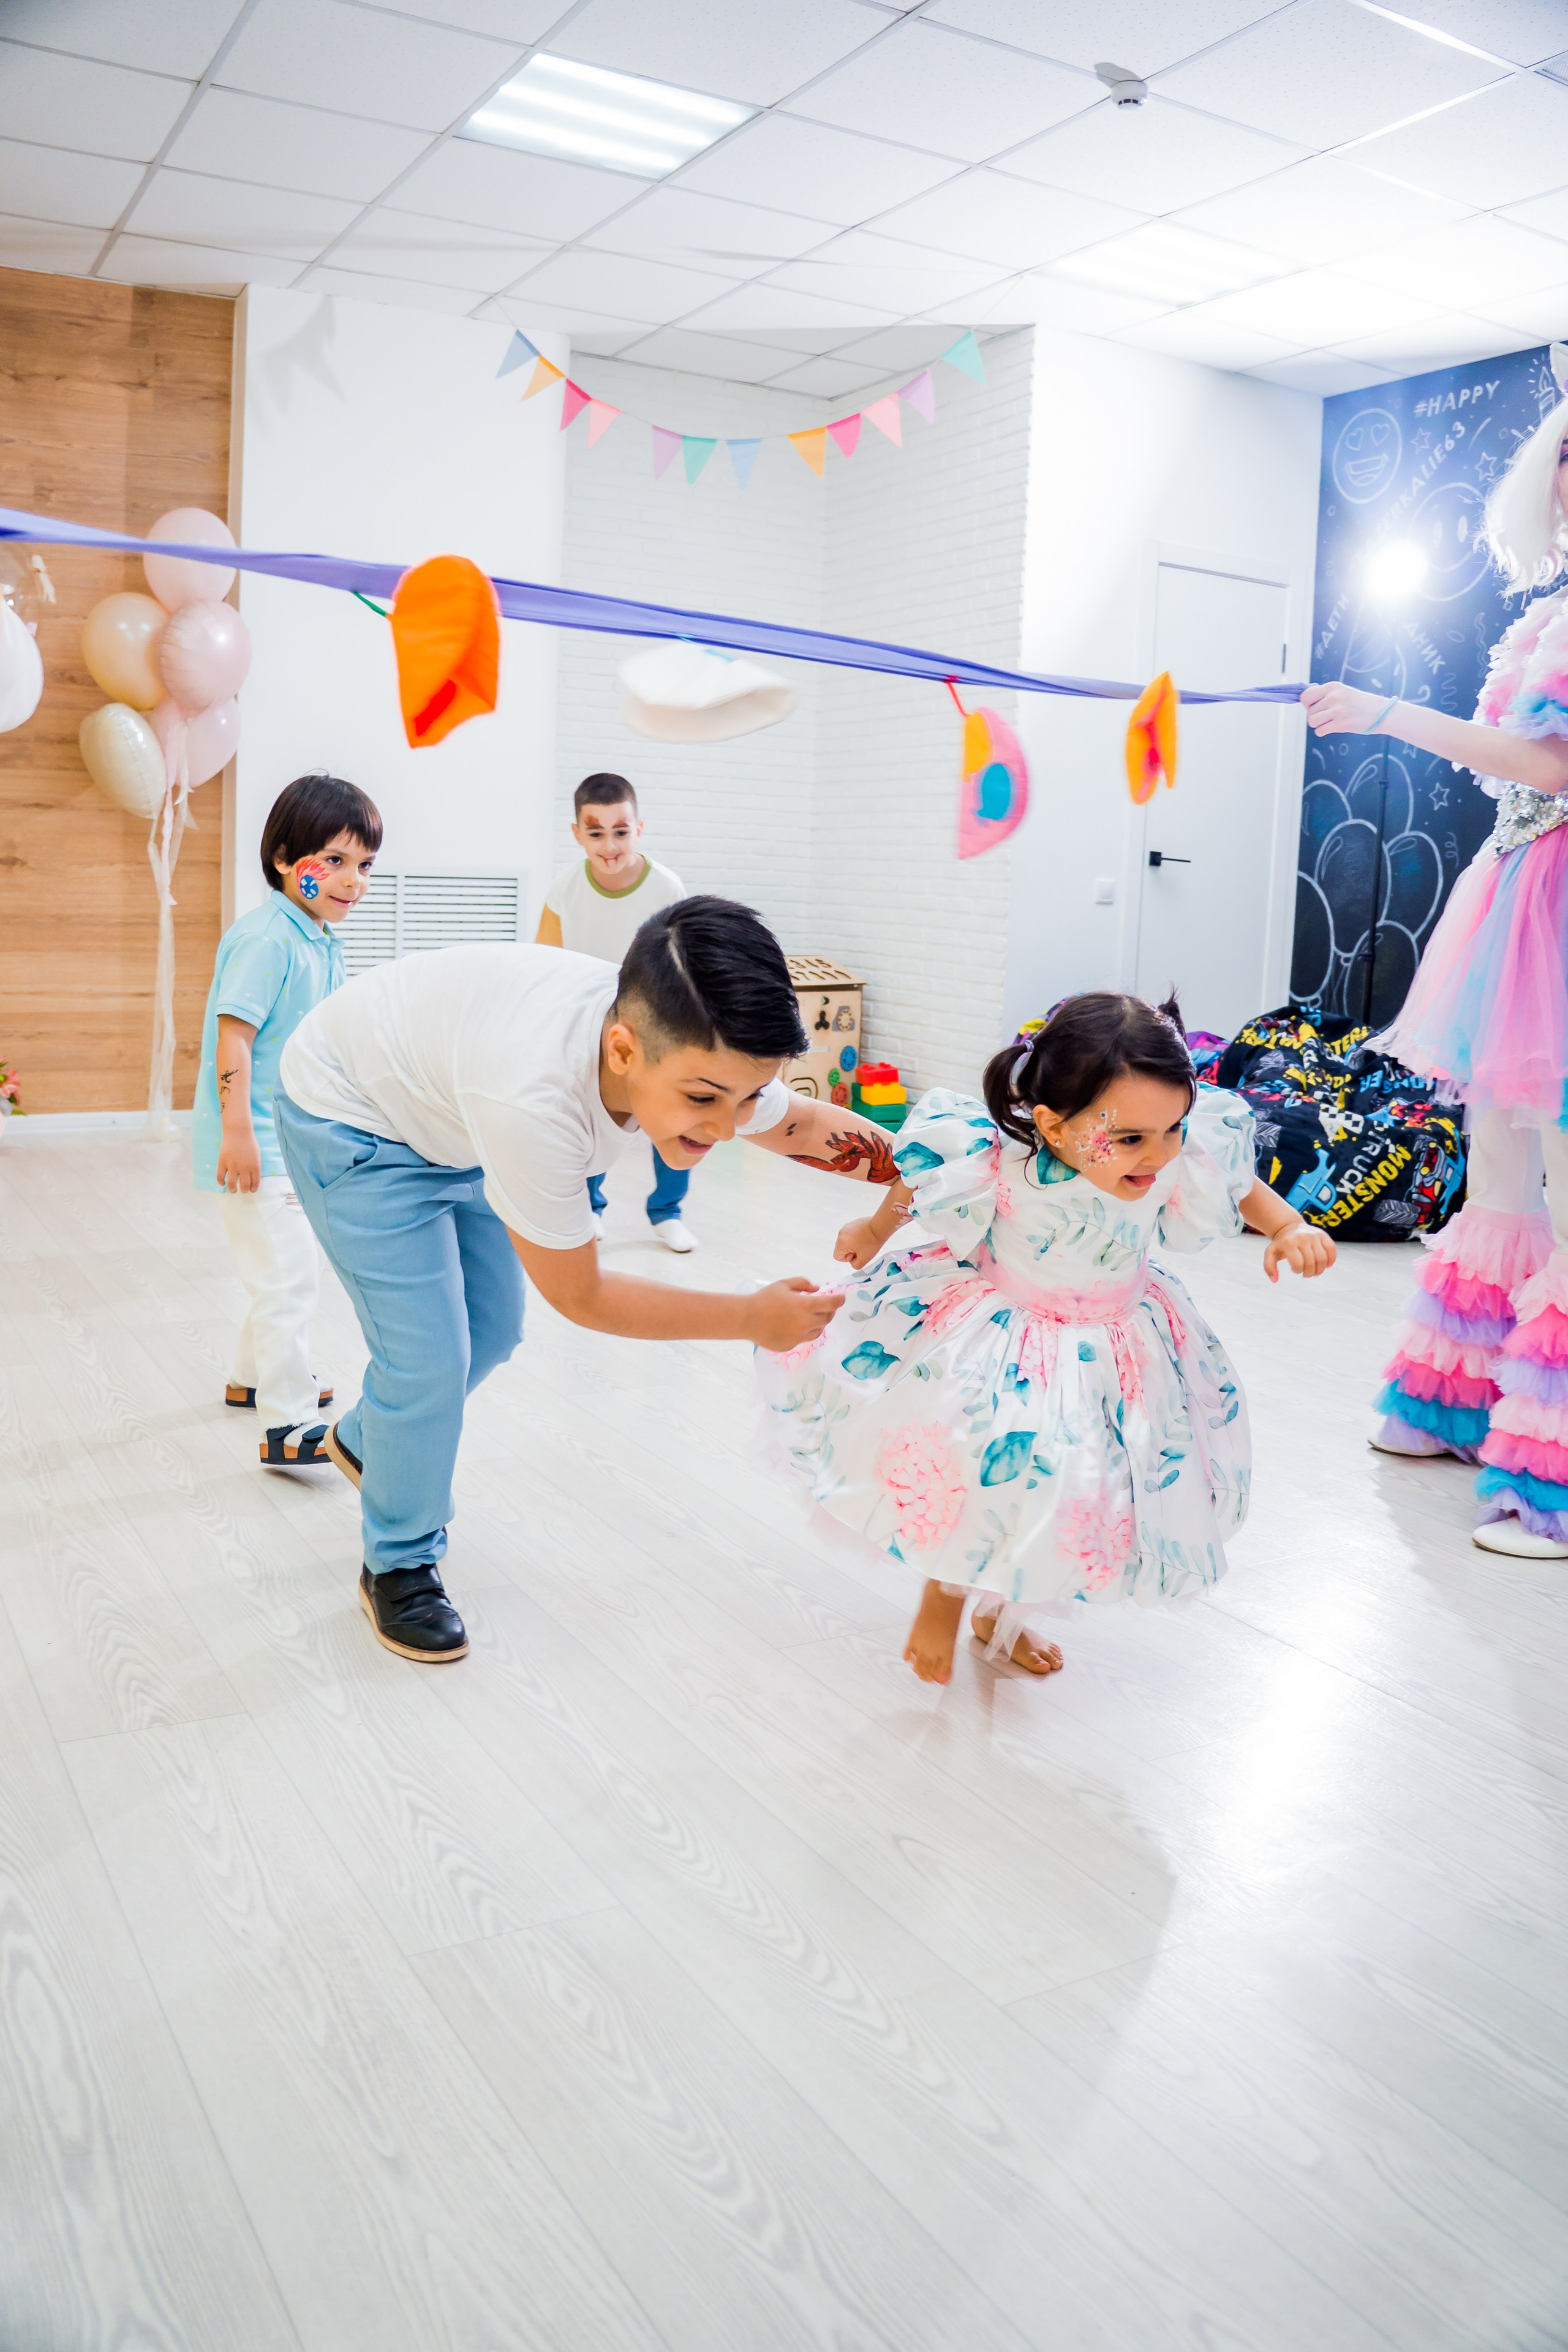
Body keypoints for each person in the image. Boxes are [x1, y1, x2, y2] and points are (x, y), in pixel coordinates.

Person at [276, 896, 903, 1664]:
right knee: (429, 1361)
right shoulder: (534, 1101)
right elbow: (583, 1296)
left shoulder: (698, 1044)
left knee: (495, 1332)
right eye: (703, 1100)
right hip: (355, 1116)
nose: (724, 1127)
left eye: (745, 1099)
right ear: (621, 1049)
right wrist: (749, 1317)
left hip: (450, 1103)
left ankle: (371, 1440)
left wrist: (924, 1167)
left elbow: (798, 1124)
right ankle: (400, 1561)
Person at [760, 991, 1335, 1686]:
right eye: (1129, 1140)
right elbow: (918, 1187)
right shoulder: (994, 1158)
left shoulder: (1168, 1149)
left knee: (1070, 1493)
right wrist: (874, 1230)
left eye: (1174, 1130)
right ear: (1052, 1126)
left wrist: (1288, 1228)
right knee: (988, 1474)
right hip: (1005, 1340)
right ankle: (944, 1594)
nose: (1159, 1157)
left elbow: (1242, 1188)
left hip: (1121, 1344)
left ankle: (999, 1614)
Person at [1302, 360, 1568, 1559]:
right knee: (1500, 1165)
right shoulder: (1546, 611)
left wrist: (1382, 713)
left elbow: (1550, 768)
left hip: (1550, 908)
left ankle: (1545, 1482)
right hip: (1517, 899)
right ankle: (1456, 1404)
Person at [191, 771, 381, 1469]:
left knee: (280, 1270)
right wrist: (239, 1132)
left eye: (363, 865)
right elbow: (234, 1035)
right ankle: (286, 1420)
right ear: (284, 860)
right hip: (256, 1141)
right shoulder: (270, 938)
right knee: (290, 1277)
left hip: (291, 1139)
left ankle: (253, 1378)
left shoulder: (318, 937)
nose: (350, 880)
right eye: (331, 862)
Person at [536, 771, 696, 1251]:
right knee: (594, 1116)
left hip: (656, 1021)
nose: (610, 845)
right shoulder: (565, 888)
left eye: (621, 831)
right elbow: (547, 961)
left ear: (638, 829)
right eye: (596, 832)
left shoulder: (667, 888)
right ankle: (590, 1206)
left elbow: (685, 964)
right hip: (591, 1024)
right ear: (577, 834)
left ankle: (667, 1212)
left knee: (671, 1118)